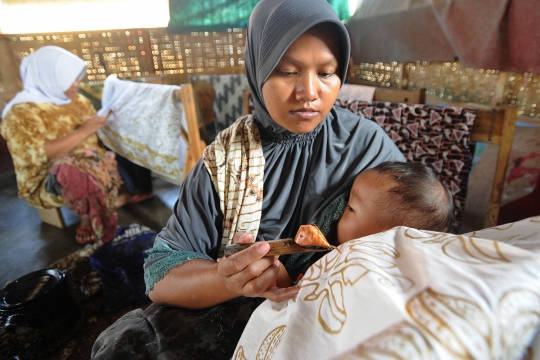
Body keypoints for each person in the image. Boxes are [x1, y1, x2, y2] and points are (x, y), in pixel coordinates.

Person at [91, 0, 405, 358]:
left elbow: (408, 240)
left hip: (339, 314)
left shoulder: (366, 147)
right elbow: (161, 277)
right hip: (237, 312)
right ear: (257, 69)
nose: (309, 92)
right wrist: (226, 279)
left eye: (327, 72)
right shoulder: (225, 161)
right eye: (287, 71)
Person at [0, 46, 123, 244]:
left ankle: (103, 203)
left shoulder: (78, 100)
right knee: (72, 169)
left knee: (117, 153)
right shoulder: (21, 113)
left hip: (90, 161)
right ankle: (89, 216)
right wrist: (83, 131)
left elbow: (95, 133)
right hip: (48, 175)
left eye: (77, 77)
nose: (77, 84)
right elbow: (38, 154)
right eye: (69, 79)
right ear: (49, 78)